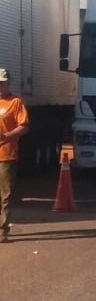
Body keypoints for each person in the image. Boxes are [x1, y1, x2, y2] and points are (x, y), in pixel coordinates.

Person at [0, 68, 30, 244]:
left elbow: (24, 126)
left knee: (5, 195)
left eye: (3, 82)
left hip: (6, 155)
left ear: (8, 82)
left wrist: (7, 136)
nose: (0, 86)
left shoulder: (15, 102)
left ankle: (2, 229)